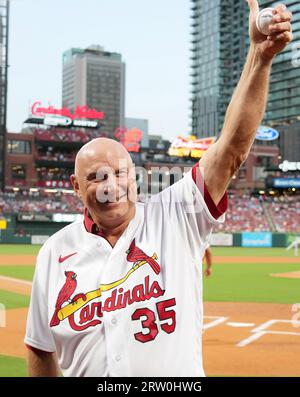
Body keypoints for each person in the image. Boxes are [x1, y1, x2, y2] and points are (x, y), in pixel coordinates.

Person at [24, 1, 293, 377]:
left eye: (119, 173)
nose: (110, 186)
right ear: (74, 186)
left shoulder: (176, 214)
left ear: (134, 175)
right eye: (96, 177)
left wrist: (259, 58)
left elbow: (232, 147)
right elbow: (39, 347)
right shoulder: (54, 253)